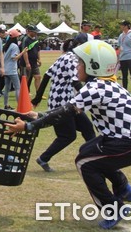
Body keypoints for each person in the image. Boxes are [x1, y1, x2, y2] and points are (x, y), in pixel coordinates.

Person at [5, 40, 131, 229]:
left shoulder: (95, 88)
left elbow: (65, 112)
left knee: (85, 163)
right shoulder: (106, 84)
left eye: (81, 63)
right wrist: (39, 116)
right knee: (88, 150)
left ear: (93, 65)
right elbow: (66, 111)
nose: (77, 67)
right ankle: (124, 188)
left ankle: (113, 208)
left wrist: (29, 127)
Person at [30, 36, 96, 172]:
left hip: (67, 102)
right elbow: (75, 81)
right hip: (63, 104)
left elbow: (47, 75)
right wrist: (89, 95)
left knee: (88, 129)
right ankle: (43, 158)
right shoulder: (72, 59)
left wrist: (37, 97)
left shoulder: (64, 57)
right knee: (67, 135)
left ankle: (94, 158)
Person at [2, 29, 25, 110]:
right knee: (18, 87)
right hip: (12, 70)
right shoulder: (14, 46)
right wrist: (23, 52)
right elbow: (14, 58)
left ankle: (6, 105)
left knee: (7, 88)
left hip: (5, 69)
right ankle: (19, 106)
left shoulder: (6, 45)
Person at [118, 20, 131, 95]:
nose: (121, 26)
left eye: (122, 25)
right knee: (124, 74)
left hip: (130, 56)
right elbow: (120, 46)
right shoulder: (121, 35)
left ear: (126, 26)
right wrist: (118, 57)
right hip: (123, 57)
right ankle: (125, 89)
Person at [19, 24, 42, 92]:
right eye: (34, 32)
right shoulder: (25, 40)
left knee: (38, 77)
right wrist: (27, 63)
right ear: (29, 31)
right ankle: (24, 93)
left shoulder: (36, 39)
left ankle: (38, 94)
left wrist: (39, 59)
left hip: (34, 62)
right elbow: (24, 52)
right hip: (26, 63)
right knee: (26, 79)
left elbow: (37, 50)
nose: (36, 33)